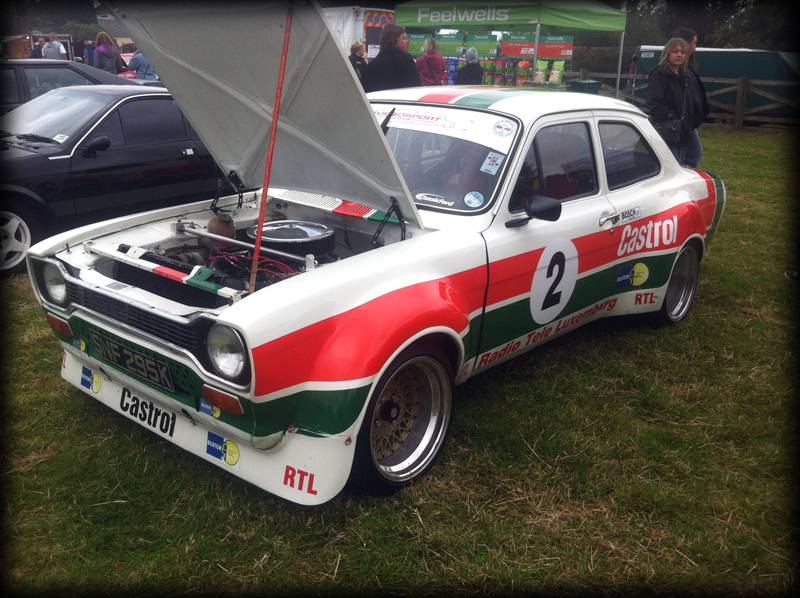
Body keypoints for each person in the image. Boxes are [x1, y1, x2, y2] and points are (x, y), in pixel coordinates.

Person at [646, 38, 697, 165]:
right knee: (673, 160)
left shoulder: (684, 75)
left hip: (685, 125)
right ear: (667, 53)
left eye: (682, 52)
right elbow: (654, 103)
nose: (679, 55)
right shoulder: (659, 74)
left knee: (694, 154)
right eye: (675, 51)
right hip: (668, 126)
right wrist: (672, 118)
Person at [671, 27, 710, 167]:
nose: (695, 47)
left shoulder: (688, 66)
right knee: (691, 153)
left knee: (691, 153)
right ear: (686, 43)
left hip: (689, 121)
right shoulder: (676, 69)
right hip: (680, 122)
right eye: (694, 42)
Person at [362, 24, 420, 93]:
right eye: (403, 38)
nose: (407, 42)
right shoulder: (407, 61)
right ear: (393, 40)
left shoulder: (372, 65)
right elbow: (415, 88)